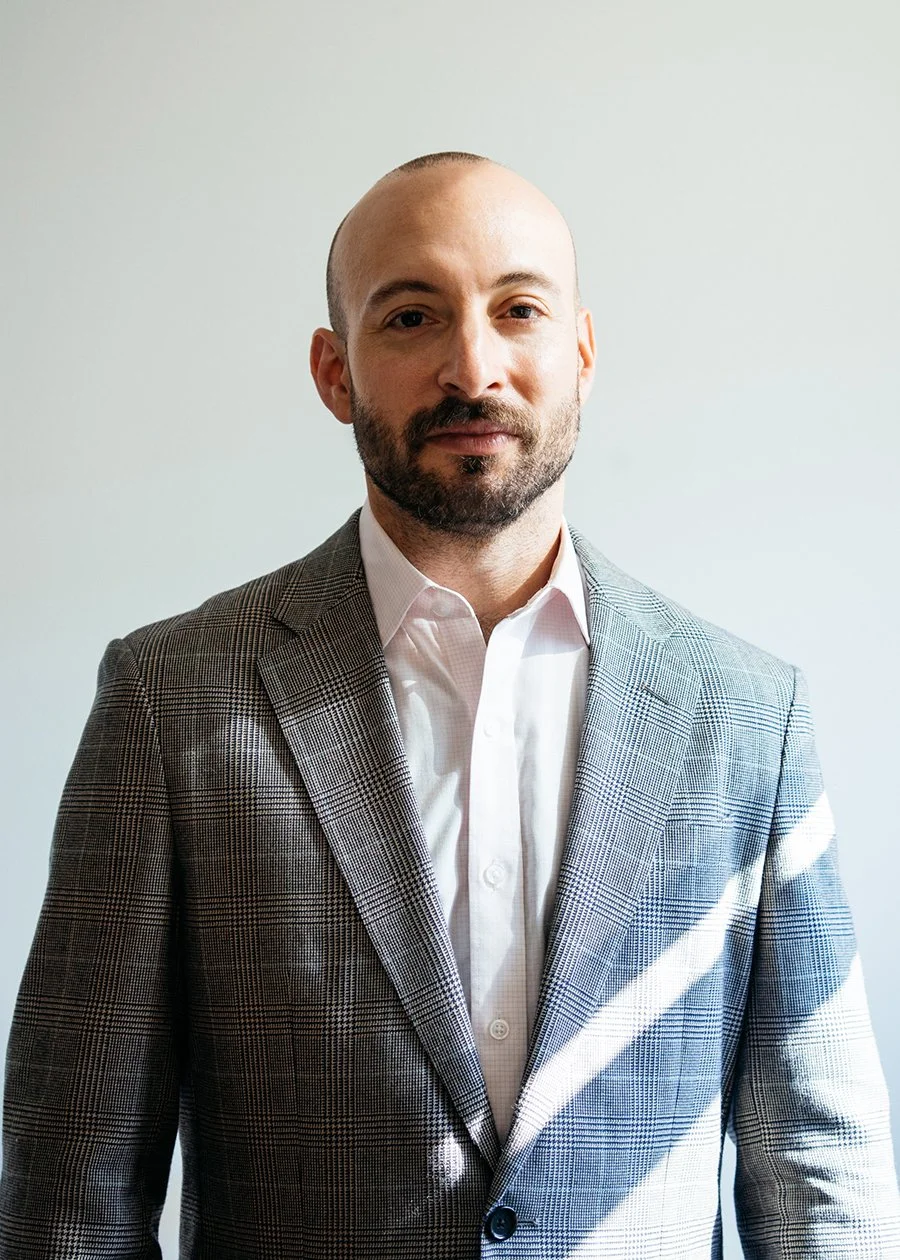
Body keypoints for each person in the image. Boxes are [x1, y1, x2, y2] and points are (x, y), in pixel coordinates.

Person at [1, 150, 897, 1259]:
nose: (473, 367)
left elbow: (822, 1173)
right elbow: (68, 1191)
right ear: (335, 373)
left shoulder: (745, 714)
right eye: (413, 317)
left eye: (518, 309)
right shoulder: (173, 702)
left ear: (580, 350)